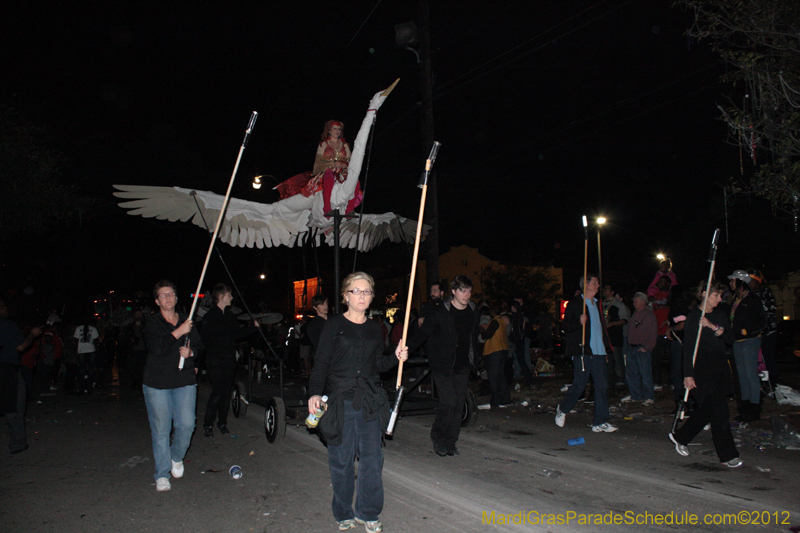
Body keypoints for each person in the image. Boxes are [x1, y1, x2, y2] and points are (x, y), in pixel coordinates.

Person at [308, 272, 407, 533]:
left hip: (369, 401)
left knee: (372, 460)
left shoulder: (376, 328)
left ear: (372, 296)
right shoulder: (333, 325)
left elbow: (378, 366)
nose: (362, 296)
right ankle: (343, 512)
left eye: (367, 291)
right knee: (341, 461)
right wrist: (314, 393)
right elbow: (321, 364)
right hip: (340, 402)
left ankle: (368, 512)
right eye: (356, 291)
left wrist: (396, 356)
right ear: (345, 296)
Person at [669, 281, 742, 468]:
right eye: (716, 295)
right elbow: (688, 349)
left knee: (709, 410)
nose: (720, 299)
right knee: (720, 413)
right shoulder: (693, 317)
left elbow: (730, 339)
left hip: (718, 367)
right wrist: (688, 374)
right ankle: (728, 455)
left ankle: (681, 437)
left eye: (720, 295)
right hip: (701, 370)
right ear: (703, 294)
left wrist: (713, 327)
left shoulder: (719, 315)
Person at [406, 275, 480, 456]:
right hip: (442, 365)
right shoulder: (440, 312)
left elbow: (473, 337)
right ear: (453, 291)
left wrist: (476, 359)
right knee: (448, 403)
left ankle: (450, 442)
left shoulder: (472, 309)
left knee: (458, 405)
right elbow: (423, 333)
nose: (467, 295)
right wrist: (405, 348)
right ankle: (438, 437)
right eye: (463, 291)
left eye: (469, 291)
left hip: (462, 365)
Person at [143, 280, 204, 492]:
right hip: (156, 383)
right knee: (161, 429)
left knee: (187, 424)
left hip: (184, 380)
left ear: (176, 298)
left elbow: (199, 347)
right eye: (163, 295)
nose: (168, 297)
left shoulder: (187, 322)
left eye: (171, 294)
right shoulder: (152, 322)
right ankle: (161, 474)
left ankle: (176, 457)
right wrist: (178, 332)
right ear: (157, 301)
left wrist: (192, 353)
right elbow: (156, 348)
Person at [555, 274, 618, 433]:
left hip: (599, 352)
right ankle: (563, 409)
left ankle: (599, 421)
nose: (598, 286)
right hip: (583, 351)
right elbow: (565, 327)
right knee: (580, 385)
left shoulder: (598, 304)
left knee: (602, 386)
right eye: (595, 283)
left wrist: (606, 350)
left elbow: (600, 329)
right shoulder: (576, 304)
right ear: (586, 285)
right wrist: (579, 322)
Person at [199, 283, 259, 437]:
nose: (232, 297)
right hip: (215, 360)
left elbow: (237, 335)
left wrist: (253, 328)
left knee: (226, 392)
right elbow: (205, 340)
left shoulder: (230, 316)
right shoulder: (210, 316)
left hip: (229, 360)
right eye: (229, 295)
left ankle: (222, 422)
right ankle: (208, 424)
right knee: (217, 392)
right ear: (221, 296)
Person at [1, 297, 42, 454]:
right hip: (6, 370)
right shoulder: (6, 325)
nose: (6, 308)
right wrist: (32, 334)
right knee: (14, 406)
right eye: (3, 305)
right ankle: (18, 443)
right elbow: (21, 346)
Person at [727, 269, 766, 422]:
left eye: (733, 280)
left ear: (740, 282)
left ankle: (754, 409)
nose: (730, 283)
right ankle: (745, 408)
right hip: (738, 342)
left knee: (750, 376)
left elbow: (762, 322)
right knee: (742, 376)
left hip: (750, 341)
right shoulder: (736, 299)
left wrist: (747, 332)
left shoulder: (752, 300)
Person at [622, 293, 657, 406]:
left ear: (643, 301)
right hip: (632, 347)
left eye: (637, 300)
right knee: (631, 373)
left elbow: (653, 333)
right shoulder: (635, 314)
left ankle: (648, 397)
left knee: (645, 373)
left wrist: (647, 347)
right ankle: (635, 395)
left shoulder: (648, 315)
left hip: (642, 347)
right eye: (634, 300)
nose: (634, 302)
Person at [747, 268, 779, 387]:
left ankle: (774, 383)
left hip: (768, 331)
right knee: (756, 360)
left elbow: (772, 308)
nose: (749, 283)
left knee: (768, 357)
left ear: (757, 281)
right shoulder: (748, 294)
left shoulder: (765, 292)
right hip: (753, 333)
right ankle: (761, 384)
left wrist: (758, 309)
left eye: (751, 280)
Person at [478, 303, 513, 409]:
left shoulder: (494, 322)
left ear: (493, 312)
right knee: (500, 375)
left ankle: (495, 399)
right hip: (503, 349)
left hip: (494, 350)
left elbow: (487, 335)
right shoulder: (502, 321)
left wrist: (483, 330)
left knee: (493, 376)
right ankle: (506, 398)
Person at [602, 284, 629, 389]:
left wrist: (612, 323)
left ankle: (620, 378)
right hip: (604, 337)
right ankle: (608, 379)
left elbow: (625, 320)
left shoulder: (618, 304)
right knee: (606, 359)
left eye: (607, 289)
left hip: (615, 337)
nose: (604, 290)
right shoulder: (601, 304)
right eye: (604, 289)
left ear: (612, 292)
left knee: (617, 358)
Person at [74, 318, 100, 394]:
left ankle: (81, 387)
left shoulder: (78, 328)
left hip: (81, 350)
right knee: (91, 369)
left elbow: (76, 340)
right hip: (91, 350)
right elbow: (96, 340)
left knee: (82, 369)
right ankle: (89, 387)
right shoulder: (93, 329)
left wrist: (76, 351)